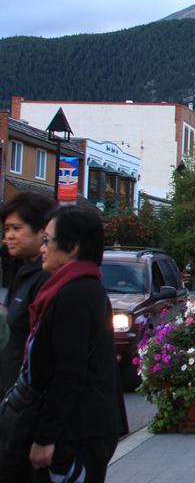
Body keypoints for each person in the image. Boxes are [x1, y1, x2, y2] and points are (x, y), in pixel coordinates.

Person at [7, 205, 126, 482]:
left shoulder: (77, 293)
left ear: (72, 247)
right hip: (78, 428)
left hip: (77, 433)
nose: (43, 247)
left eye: (48, 240)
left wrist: (46, 437)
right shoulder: (68, 287)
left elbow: (69, 372)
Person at [1, 193, 55, 396]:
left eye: (17, 228)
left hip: (26, 399)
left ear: (42, 231)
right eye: (7, 229)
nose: (10, 236)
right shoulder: (21, 271)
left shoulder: (45, 278)